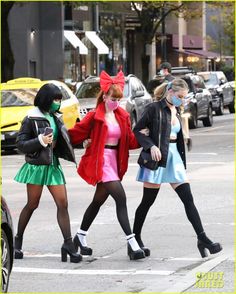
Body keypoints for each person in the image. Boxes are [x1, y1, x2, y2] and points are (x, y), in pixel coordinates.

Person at [132, 78, 222, 258]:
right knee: (147, 201)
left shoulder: (178, 110)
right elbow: (137, 130)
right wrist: (151, 146)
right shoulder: (154, 108)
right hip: (157, 159)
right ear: (170, 92)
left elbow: (176, 134)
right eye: (180, 96)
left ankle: (202, 239)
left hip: (174, 159)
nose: (182, 99)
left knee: (188, 199)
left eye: (184, 97)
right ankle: (134, 239)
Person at [68, 70, 145, 260]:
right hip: (101, 161)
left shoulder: (123, 116)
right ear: (104, 96)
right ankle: (132, 243)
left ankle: (80, 236)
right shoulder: (95, 116)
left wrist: (145, 136)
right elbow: (75, 133)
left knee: (97, 202)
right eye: (113, 98)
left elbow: (129, 142)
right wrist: (59, 137)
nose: (116, 102)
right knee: (121, 198)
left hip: (115, 161)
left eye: (118, 99)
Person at [14, 83, 82, 263]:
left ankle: (68, 244)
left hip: (53, 165)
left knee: (63, 203)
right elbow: (20, 144)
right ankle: (17, 240)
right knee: (32, 204)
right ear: (46, 99)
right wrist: (40, 140)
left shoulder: (55, 116)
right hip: (37, 166)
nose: (58, 103)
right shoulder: (31, 117)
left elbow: (64, 139)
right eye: (55, 99)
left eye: (59, 99)